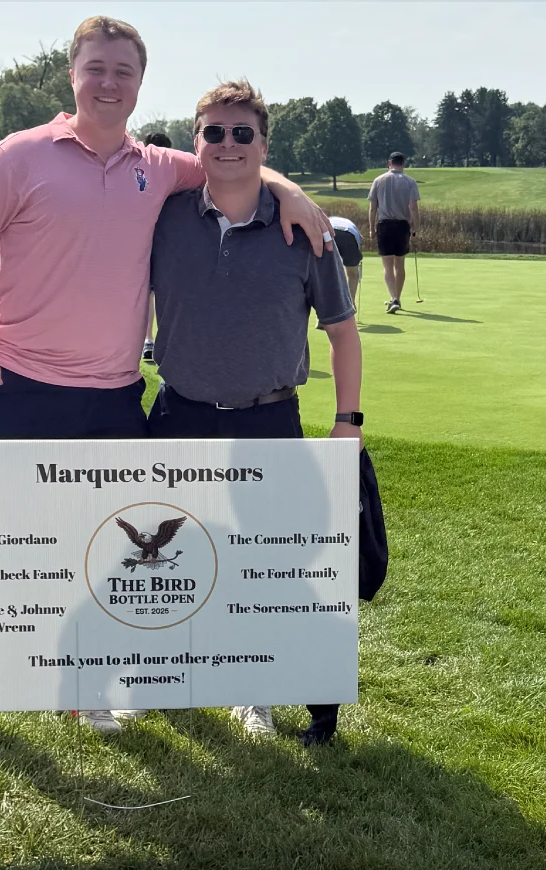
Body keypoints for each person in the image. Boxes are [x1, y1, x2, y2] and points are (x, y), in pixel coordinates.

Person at [0, 16, 332, 747]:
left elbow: (229, 161)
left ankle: (86, 682)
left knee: (100, 552)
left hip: (114, 395)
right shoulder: (21, 156)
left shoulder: (158, 166)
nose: (109, 83)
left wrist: (290, 190)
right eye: (96, 68)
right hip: (15, 379)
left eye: (124, 72)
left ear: (140, 85)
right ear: (73, 75)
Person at [146, 80, 362, 747]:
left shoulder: (306, 231)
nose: (228, 144)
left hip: (267, 420)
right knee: (163, 558)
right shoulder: (165, 214)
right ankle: (161, 677)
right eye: (214, 132)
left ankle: (259, 693)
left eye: (243, 134)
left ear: (264, 146)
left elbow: (343, 334)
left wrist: (348, 420)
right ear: (197, 142)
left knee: (272, 566)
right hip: (178, 413)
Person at [367, 152, 420, 314]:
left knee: (387, 265)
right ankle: (397, 298)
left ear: (389, 163)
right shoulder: (410, 182)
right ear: (403, 164)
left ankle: (393, 298)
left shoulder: (378, 180)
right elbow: (413, 208)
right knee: (400, 264)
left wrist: (371, 228)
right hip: (402, 225)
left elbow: (372, 208)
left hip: (384, 225)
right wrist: (415, 227)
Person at [142, 131, 172, 361]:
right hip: (153, 240)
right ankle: (151, 341)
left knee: (151, 293)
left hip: (155, 240)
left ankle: (150, 340)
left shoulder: (174, 174)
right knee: (153, 293)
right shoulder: (173, 172)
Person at [329, 215, 363, 321]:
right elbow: (358, 244)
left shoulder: (330, 220)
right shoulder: (354, 229)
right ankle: (350, 303)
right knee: (353, 274)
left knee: (327, 275)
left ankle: (323, 316)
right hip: (349, 236)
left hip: (328, 233)